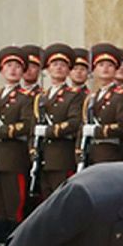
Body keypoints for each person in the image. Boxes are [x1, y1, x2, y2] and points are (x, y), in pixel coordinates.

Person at [0, 47, 37, 246]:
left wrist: (3, 130)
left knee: (14, 208)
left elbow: (27, 125)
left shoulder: (26, 97)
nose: (13, 70)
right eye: (9, 66)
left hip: (14, 159)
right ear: (1, 70)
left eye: (18, 67)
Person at [35, 44, 86, 201]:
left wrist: (49, 131)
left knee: (62, 202)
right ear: (48, 69)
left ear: (68, 71)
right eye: (55, 65)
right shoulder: (41, 97)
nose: (58, 68)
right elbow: (34, 126)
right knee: (45, 203)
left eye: (63, 65)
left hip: (62, 157)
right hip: (43, 157)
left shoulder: (74, 95)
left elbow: (74, 122)